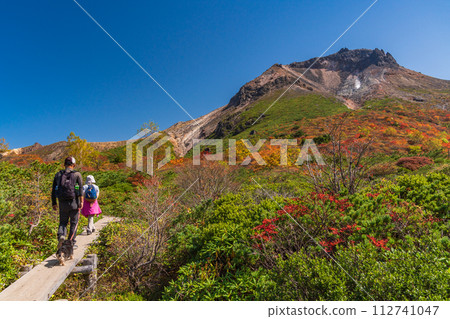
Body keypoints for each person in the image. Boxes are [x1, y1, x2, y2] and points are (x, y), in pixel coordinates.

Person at [52, 156, 83, 248]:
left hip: (62, 203)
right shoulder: (77, 174)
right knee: (74, 222)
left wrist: (54, 202)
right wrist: (81, 201)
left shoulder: (58, 175)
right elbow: (80, 188)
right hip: (74, 202)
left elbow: (53, 190)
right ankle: (71, 242)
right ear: (74, 165)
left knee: (63, 222)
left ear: (64, 164)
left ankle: (61, 235)